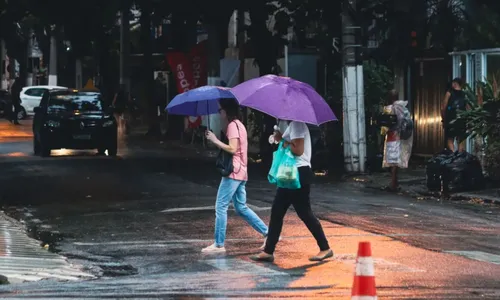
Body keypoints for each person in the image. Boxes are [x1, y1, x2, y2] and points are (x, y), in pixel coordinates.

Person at [250, 121, 333, 262]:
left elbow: (298, 150)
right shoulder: (293, 125)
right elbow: (292, 143)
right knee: (278, 210)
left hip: (297, 173)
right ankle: (268, 250)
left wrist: (283, 141)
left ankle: (325, 248)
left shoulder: (297, 125)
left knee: (303, 212)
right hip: (291, 173)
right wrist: (281, 138)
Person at [203, 98, 268, 253]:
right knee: (240, 207)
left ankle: (219, 244)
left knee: (221, 206)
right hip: (242, 172)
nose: (219, 114)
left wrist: (215, 140)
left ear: (226, 111)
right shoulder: (240, 125)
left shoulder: (233, 126)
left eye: (220, 110)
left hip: (233, 172)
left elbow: (232, 149)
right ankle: (268, 233)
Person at [381, 90, 414, 191]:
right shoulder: (403, 108)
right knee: (396, 162)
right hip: (400, 137)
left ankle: (393, 184)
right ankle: (395, 182)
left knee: (393, 162)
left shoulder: (388, 109)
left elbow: (384, 128)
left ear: (390, 98)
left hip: (391, 138)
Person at [442, 78, 467, 152]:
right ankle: (459, 157)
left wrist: (444, 118)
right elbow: (468, 107)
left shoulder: (449, 93)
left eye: (453, 83)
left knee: (450, 138)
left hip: (451, 119)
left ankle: (452, 155)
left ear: (455, 84)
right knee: (461, 139)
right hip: (462, 119)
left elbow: (443, 107)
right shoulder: (464, 94)